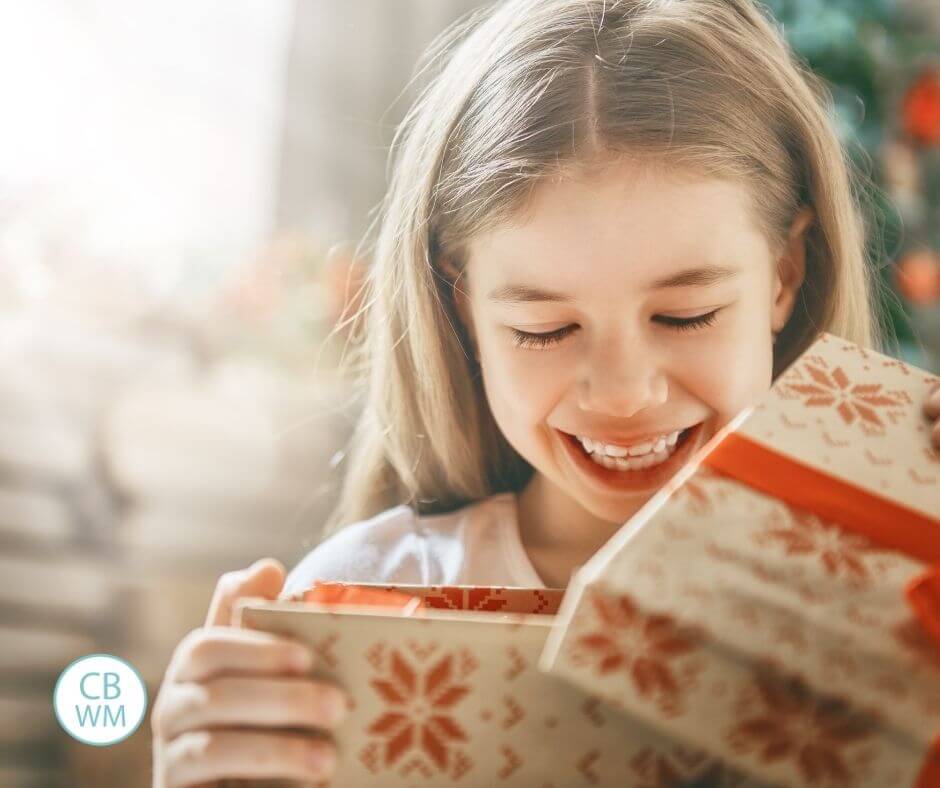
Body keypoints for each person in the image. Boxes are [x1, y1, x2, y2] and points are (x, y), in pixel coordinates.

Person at [150, 0, 940, 784]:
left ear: (786, 276)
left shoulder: (897, 598)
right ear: (466, 309)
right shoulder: (376, 591)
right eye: (544, 328)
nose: (625, 394)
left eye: (685, 314)